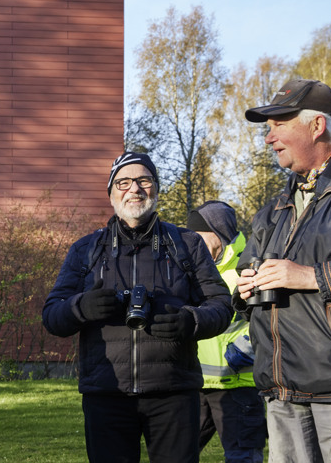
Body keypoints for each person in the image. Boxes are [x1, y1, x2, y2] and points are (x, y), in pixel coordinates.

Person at [42, 152, 233, 463]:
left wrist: (190, 321)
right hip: (106, 393)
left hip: (174, 393)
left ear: (156, 189)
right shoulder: (85, 250)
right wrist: (80, 308)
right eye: (124, 182)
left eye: (144, 181)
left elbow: (222, 307)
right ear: (111, 193)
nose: (135, 189)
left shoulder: (187, 244)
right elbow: (52, 316)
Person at [236, 78, 331, 463]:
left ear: (318, 126)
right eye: (268, 129)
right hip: (281, 390)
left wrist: (311, 276)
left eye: (279, 125)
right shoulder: (275, 208)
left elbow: (303, 275)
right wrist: (244, 288)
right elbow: (247, 269)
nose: (269, 139)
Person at [187, 201, 266, 462]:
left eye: (199, 236)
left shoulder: (249, 268)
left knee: (242, 457)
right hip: (195, 385)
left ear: (218, 233)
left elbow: (271, 322)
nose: (193, 242)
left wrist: (247, 349)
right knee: (174, 455)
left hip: (238, 387)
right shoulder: (193, 273)